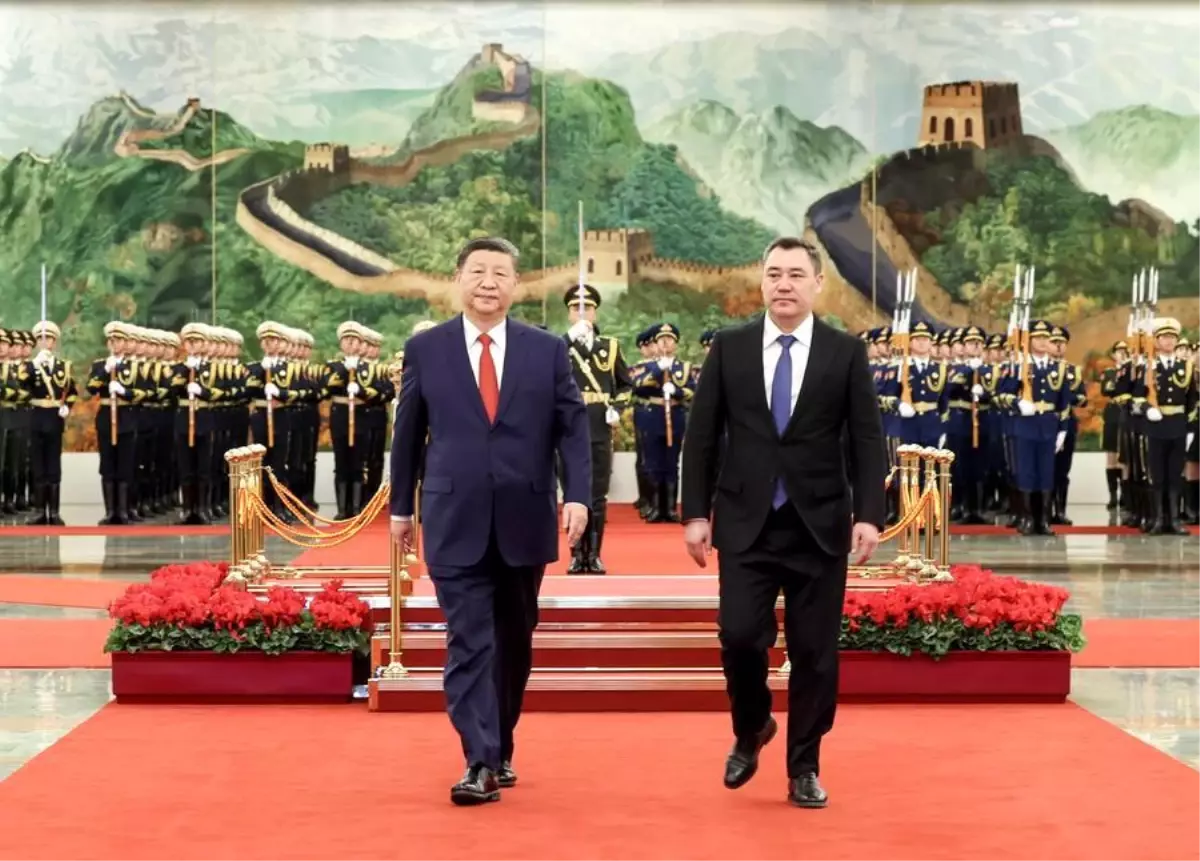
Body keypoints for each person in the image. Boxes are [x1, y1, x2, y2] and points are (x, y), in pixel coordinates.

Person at [679, 236, 886, 809]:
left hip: (819, 524)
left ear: (818, 283)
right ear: (762, 282)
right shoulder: (731, 348)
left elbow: (867, 439)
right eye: (774, 274)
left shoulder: (845, 353)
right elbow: (702, 436)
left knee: (815, 652)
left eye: (796, 274)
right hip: (746, 521)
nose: (784, 284)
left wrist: (869, 514)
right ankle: (752, 726)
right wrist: (694, 512)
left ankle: (804, 766)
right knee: (739, 636)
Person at [389, 236, 591, 807]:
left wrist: (578, 495)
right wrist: (401, 507)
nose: (488, 282)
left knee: (513, 642)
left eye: (500, 273)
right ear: (458, 279)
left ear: (515, 285)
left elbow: (572, 427)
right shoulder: (426, 349)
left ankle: (499, 744)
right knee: (469, 640)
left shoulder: (546, 350)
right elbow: (408, 433)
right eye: (477, 271)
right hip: (454, 516)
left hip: (525, 517)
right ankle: (478, 759)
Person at [561, 283, 632, 574]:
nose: (582, 313)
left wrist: (617, 407)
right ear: (569, 314)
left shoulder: (610, 347)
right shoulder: (559, 346)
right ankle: (576, 554)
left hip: (599, 427)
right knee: (573, 494)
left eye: (587, 308)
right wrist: (568, 339)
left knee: (598, 496)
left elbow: (626, 385)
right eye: (575, 309)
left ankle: (594, 554)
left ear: (595, 312)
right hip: (568, 430)